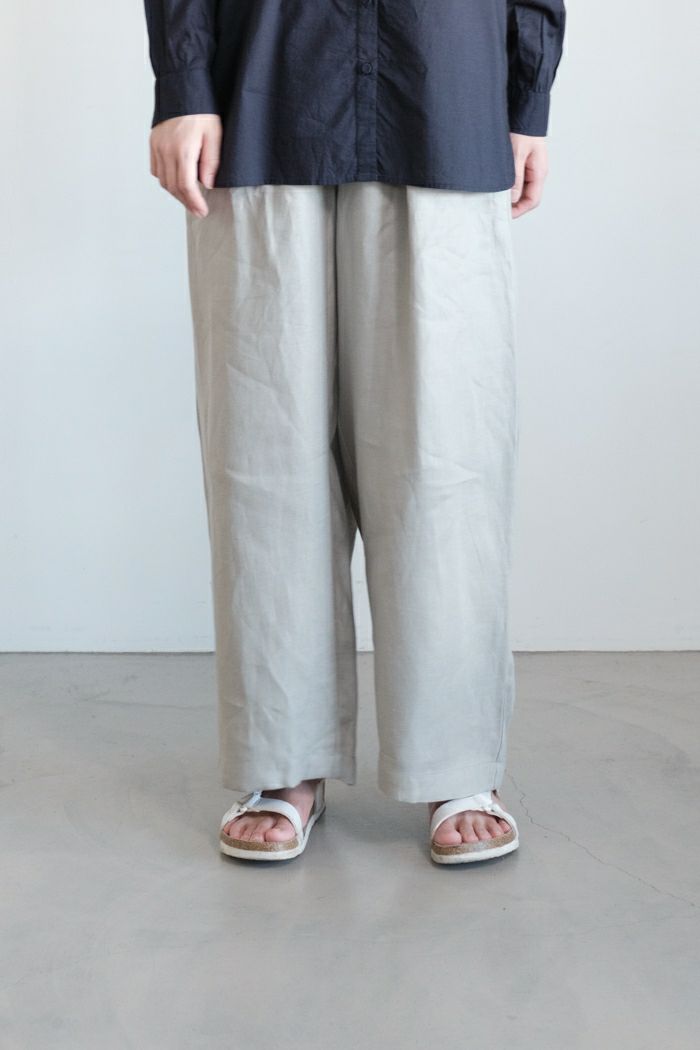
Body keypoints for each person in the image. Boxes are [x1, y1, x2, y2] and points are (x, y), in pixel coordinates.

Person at [143, 0, 566, 865]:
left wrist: (528, 96)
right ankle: (283, 758)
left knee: (446, 456)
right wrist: (184, 84)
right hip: (261, 87)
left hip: (444, 92)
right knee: (265, 452)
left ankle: (456, 762)